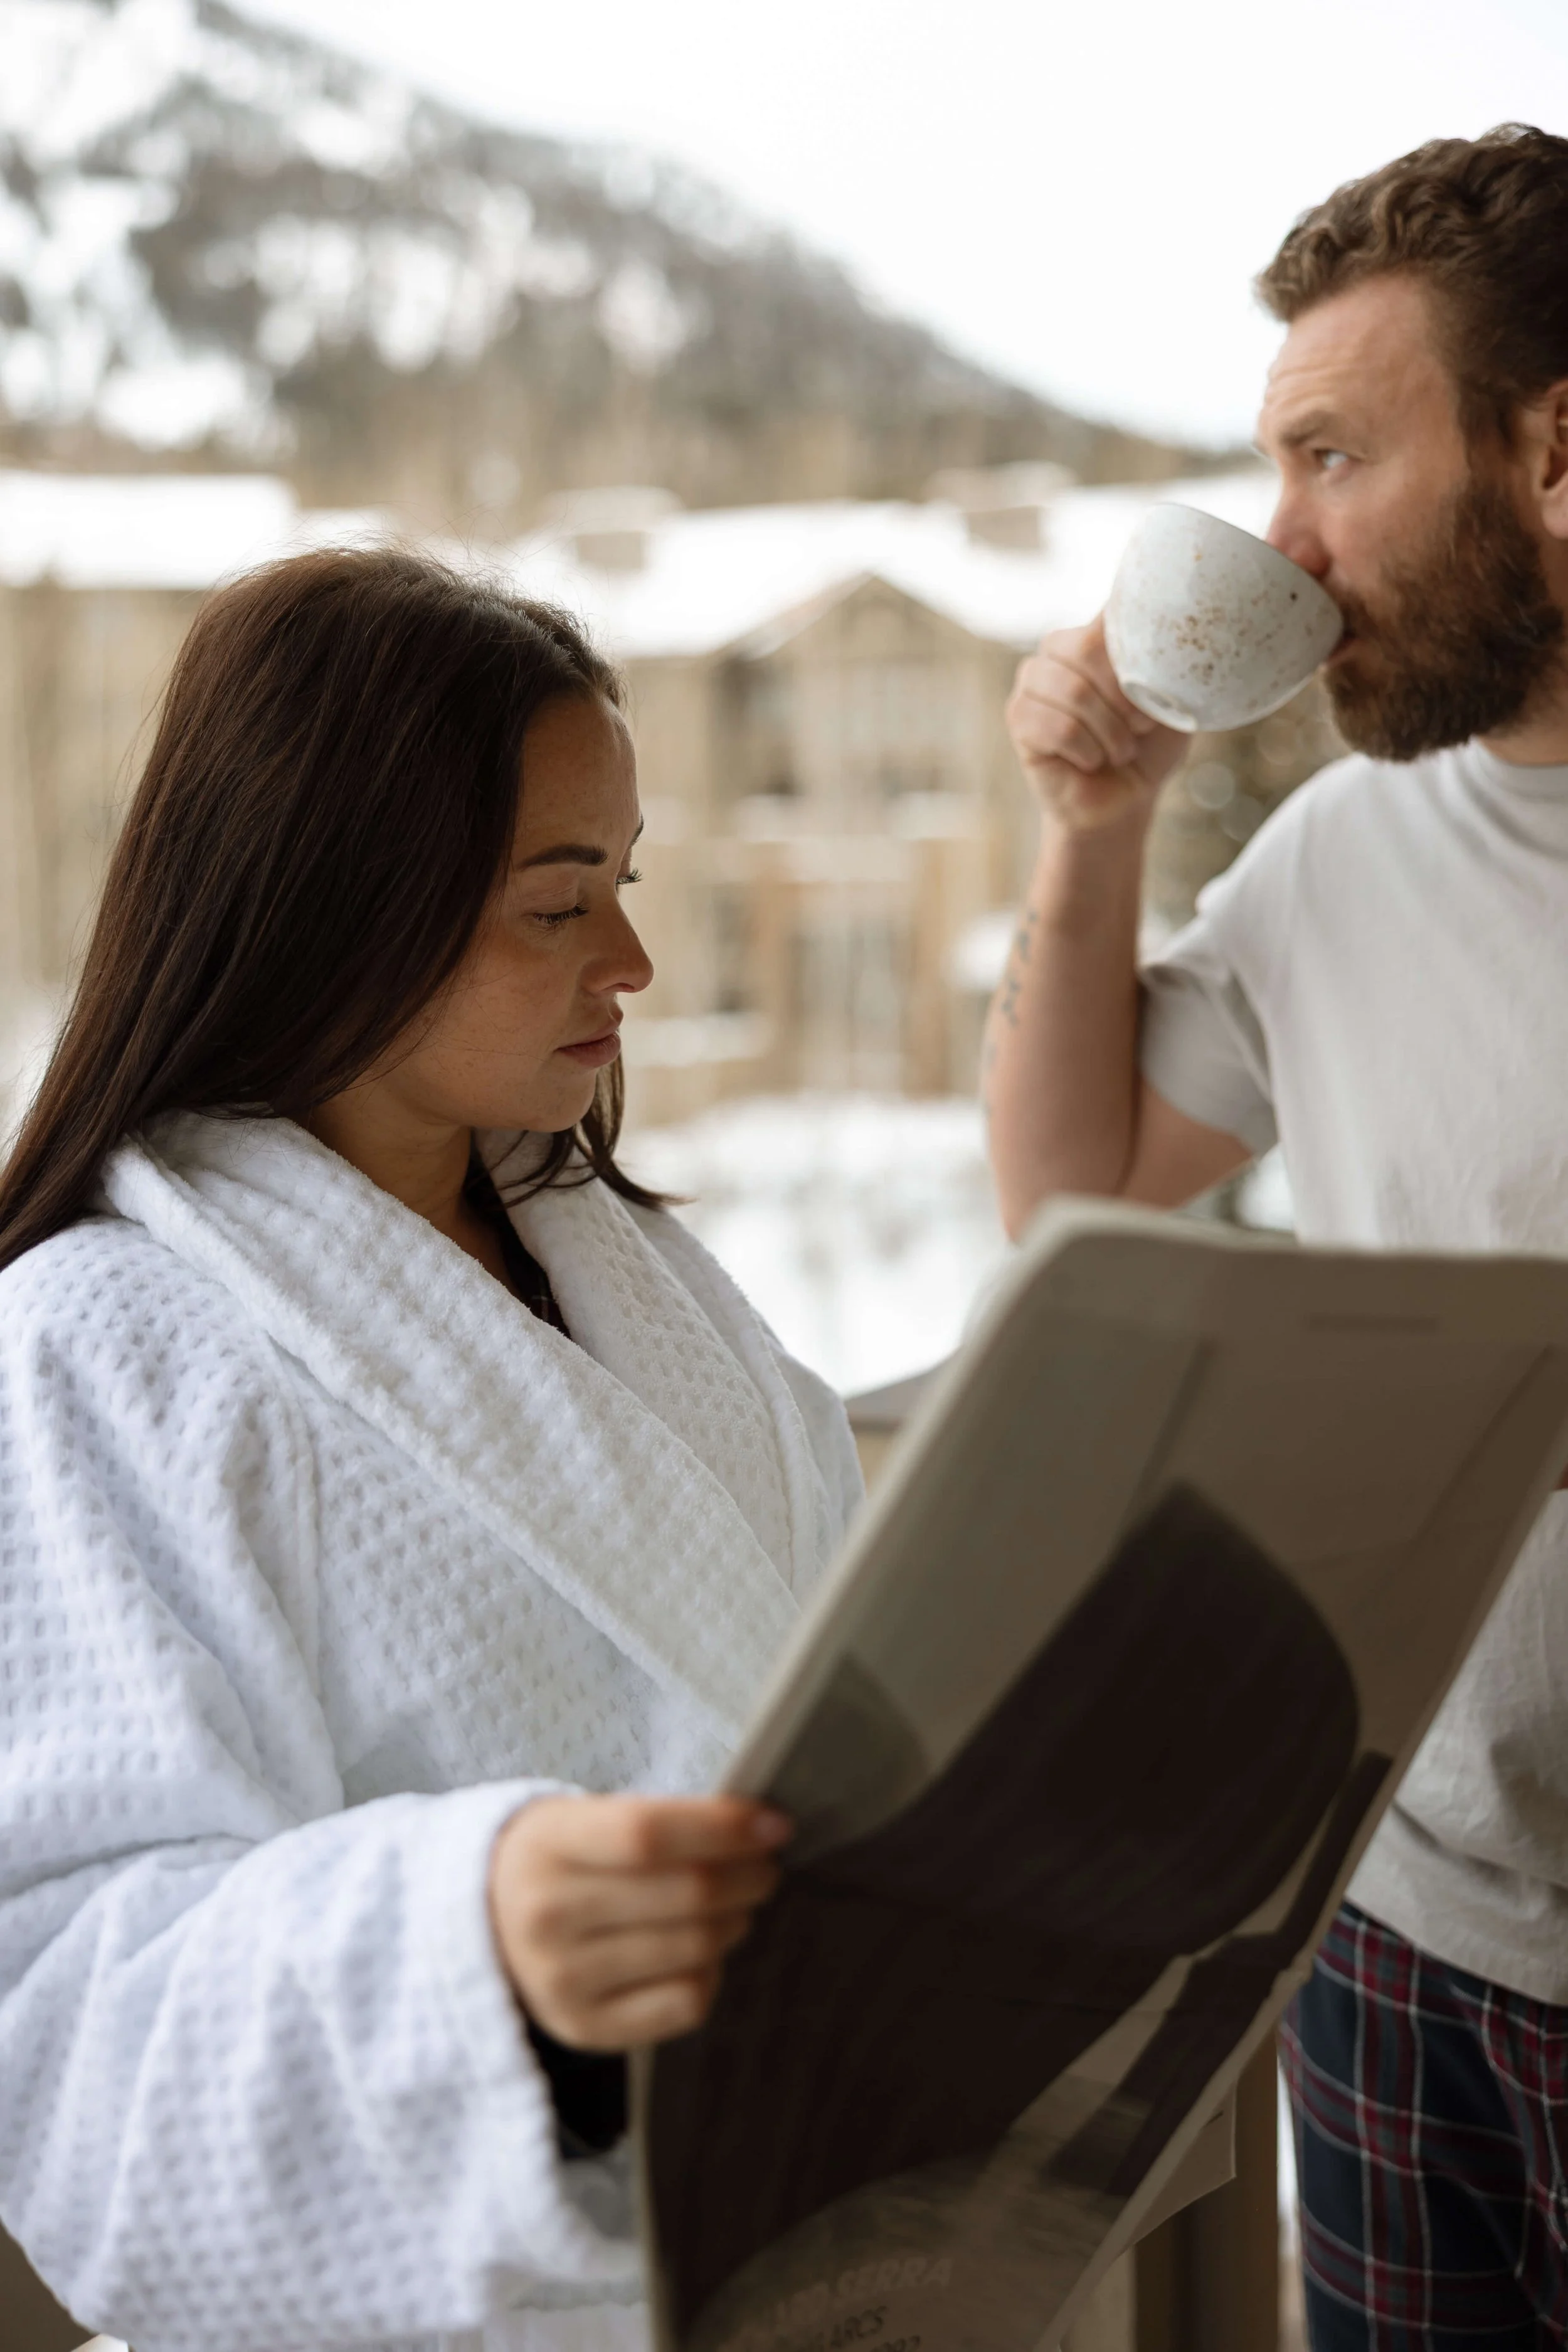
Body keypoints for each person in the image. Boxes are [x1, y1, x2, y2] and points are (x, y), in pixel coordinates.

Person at [0, 548, 862, 2352]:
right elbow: (58, 1997)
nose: (631, 962)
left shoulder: (638, 1277)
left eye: (622, 884)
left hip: (812, 2247)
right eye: (558, 905)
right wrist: (467, 1949)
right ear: (342, 901)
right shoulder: (98, 1344)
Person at [985, 124, 1568, 2351]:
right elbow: (1068, 1190)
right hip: (1400, 1926)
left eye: (1331, 454)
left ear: (1550, 450)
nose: (1281, 542)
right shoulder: (1340, 860)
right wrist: (1093, 824)